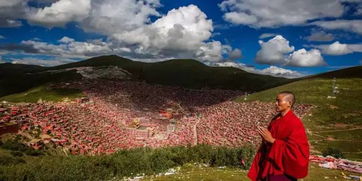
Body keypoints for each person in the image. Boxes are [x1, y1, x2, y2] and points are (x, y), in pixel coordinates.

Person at [247, 91, 310, 181]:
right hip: (269, 162)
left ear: (289, 103)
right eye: (275, 101)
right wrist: (265, 139)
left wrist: (272, 141)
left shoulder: (294, 123)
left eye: (278, 101)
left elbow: (297, 151)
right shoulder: (275, 119)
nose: (275, 103)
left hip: (282, 169)